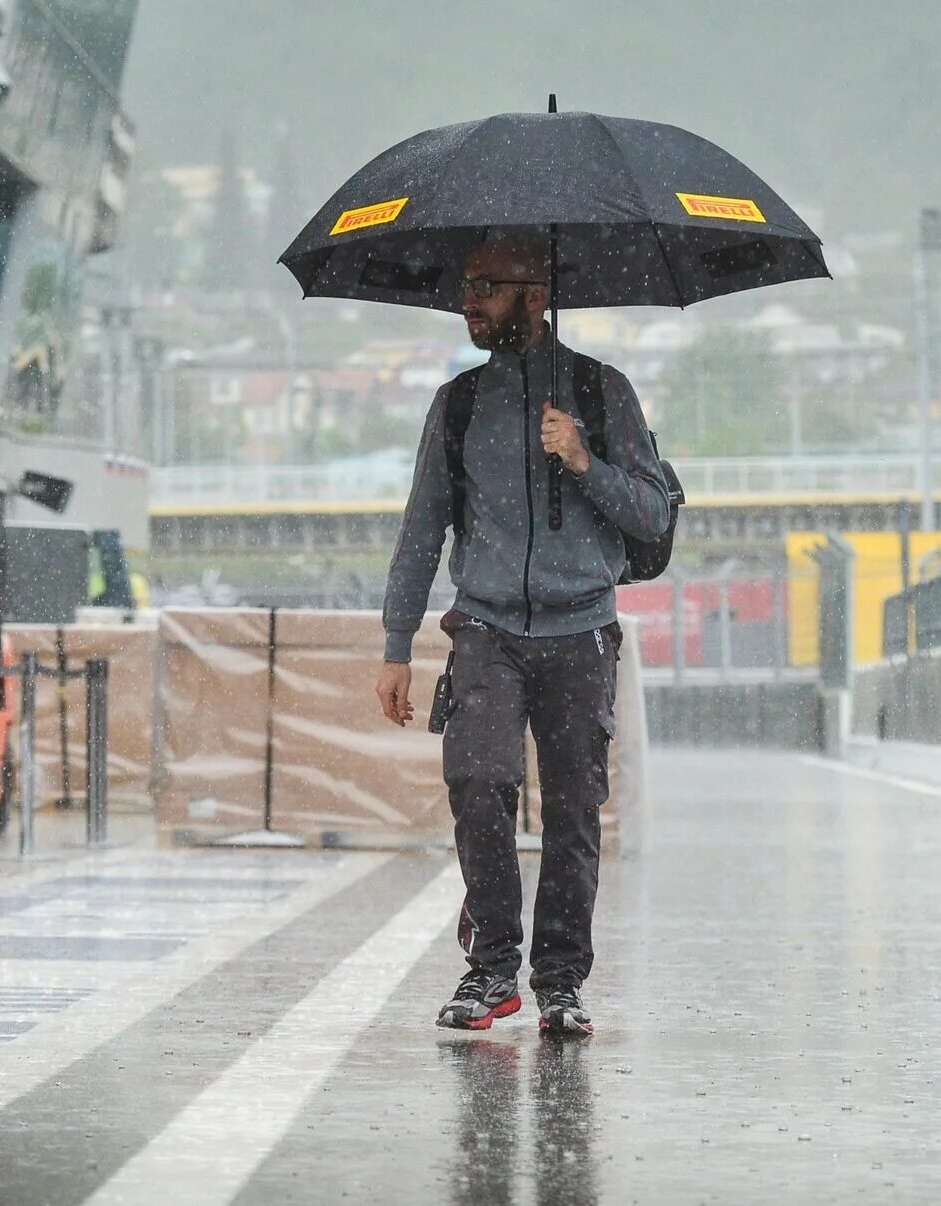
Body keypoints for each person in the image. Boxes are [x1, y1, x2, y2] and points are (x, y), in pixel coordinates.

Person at [375, 235, 668, 1037]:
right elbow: (422, 525)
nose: (468, 300)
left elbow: (650, 514)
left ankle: (561, 981)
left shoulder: (602, 395)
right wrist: (397, 642)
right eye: (467, 284)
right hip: (488, 627)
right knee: (479, 781)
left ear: (536, 295)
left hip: (582, 631)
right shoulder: (460, 403)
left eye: (488, 286)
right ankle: (492, 967)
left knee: (574, 811)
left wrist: (582, 458)